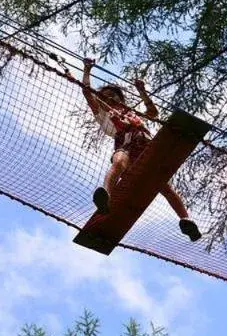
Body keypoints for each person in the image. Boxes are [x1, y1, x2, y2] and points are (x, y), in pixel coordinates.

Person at [81, 59, 201, 241]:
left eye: (113, 96)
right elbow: (87, 92)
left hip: (147, 144)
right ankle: (106, 196)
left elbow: (153, 112)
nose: (109, 98)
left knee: (163, 186)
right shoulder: (103, 114)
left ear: (120, 99)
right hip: (125, 142)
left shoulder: (131, 112)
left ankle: (186, 219)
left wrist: (141, 91)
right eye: (105, 96)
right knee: (119, 161)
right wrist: (87, 69)